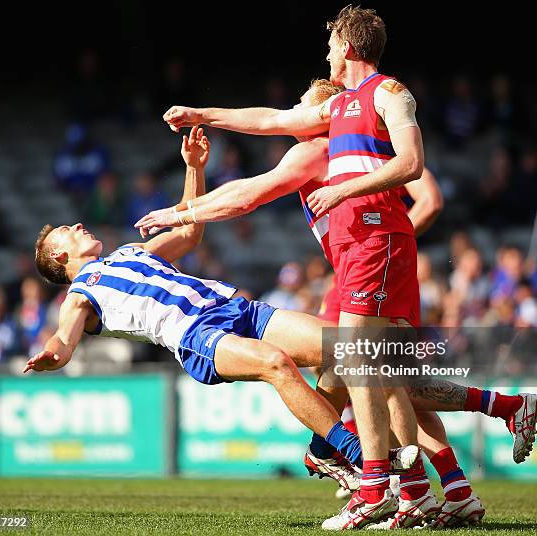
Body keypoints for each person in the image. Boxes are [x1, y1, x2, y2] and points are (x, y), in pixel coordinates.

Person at [140, 80, 537, 527]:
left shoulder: (317, 147)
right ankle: (458, 475)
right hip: (382, 257)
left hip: (369, 259)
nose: (293, 111)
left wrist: (181, 212)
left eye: (301, 106)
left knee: (362, 368)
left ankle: (375, 475)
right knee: (392, 379)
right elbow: (269, 120)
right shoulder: (365, 146)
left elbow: (251, 191)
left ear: (322, 115)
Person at [26, 127, 397, 489]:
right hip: (197, 335)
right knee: (276, 363)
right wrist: (51, 357)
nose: (77, 224)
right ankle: (360, 455)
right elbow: (64, 340)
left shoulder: (129, 252)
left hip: (234, 308)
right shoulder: (78, 296)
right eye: (67, 230)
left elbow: (189, 233)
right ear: (59, 255)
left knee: (343, 349)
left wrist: (194, 168)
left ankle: (322, 450)